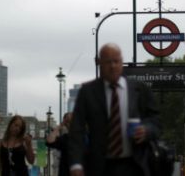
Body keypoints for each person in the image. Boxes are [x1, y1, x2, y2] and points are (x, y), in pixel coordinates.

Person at [68, 43, 161, 176]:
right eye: (107, 62)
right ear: (99, 63)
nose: (112, 66)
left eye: (116, 61)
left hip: (135, 165)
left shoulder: (139, 90)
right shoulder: (88, 92)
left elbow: (156, 120)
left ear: (122, 62)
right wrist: (76, 164)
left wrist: (146, 130)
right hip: (100, 166)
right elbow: (76, 131)